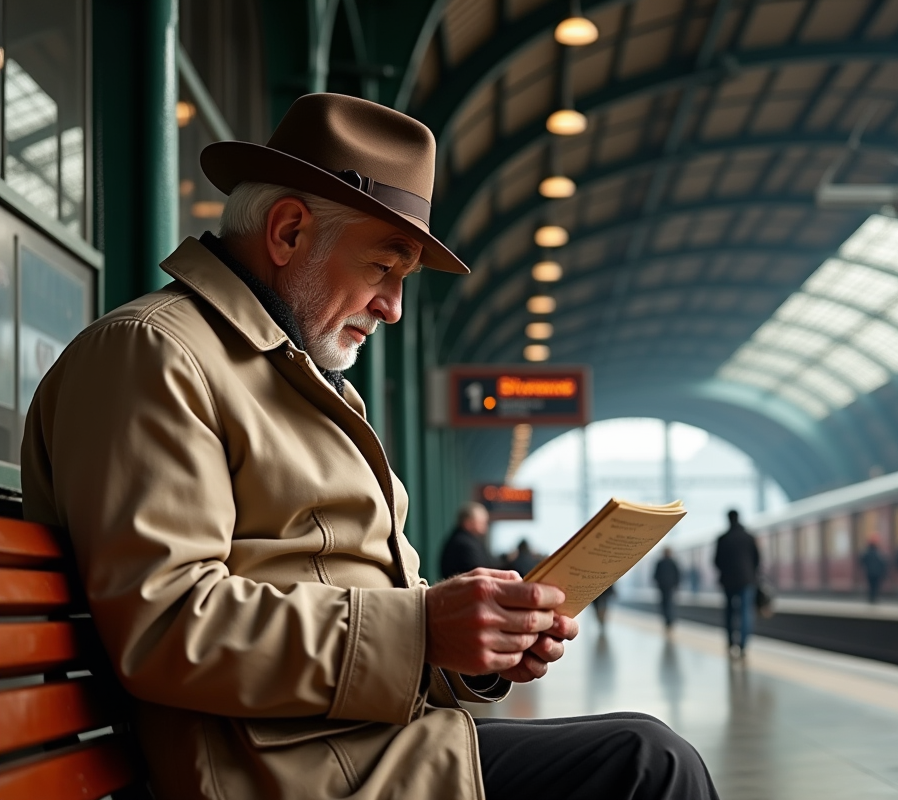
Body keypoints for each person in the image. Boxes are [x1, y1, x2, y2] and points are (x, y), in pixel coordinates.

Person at [21, 94, 718, 800]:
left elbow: (375, 614)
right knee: (648, 764)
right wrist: (422, 631)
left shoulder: (302, 382)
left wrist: (479, 650)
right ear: (289, 231)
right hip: (280, 775)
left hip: (365, 748)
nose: (394, 307)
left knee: (647, 753)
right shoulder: (153, 354)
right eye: (383, 268)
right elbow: (166, 625)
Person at [714, 510, 760, 657]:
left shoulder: (722, 539)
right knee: (746, 612)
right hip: (747, 580)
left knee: (729, 612)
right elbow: (757, 559)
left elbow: (716, 561)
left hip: (728, 581)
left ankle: (730, 643)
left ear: (728, 519)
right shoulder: (749, 537)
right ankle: (743, 645)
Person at [440, 502, 502, 578]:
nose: (486, 525)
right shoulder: (464, 544)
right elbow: (481, 574)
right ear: (468, 523)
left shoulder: (464, 540)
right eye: (482, 522)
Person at [653, 547, 682, 630]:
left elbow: (655, 575)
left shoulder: (660, 563)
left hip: (664, 587)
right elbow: (678, 574)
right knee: (669, 603)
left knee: (666, 603)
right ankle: (669, 620)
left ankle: (668, 620)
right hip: (669, 586)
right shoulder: (673, 563)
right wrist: (676, 584)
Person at [859, 536, 888, 604]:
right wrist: (883, 572)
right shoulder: (879, 553)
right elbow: (883, 562)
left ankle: (871, 597)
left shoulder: (866, 552)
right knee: (876, 585)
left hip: (869, 572)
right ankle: (874, 597)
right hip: (877, 572)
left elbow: (862, 561)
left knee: (871, 585)